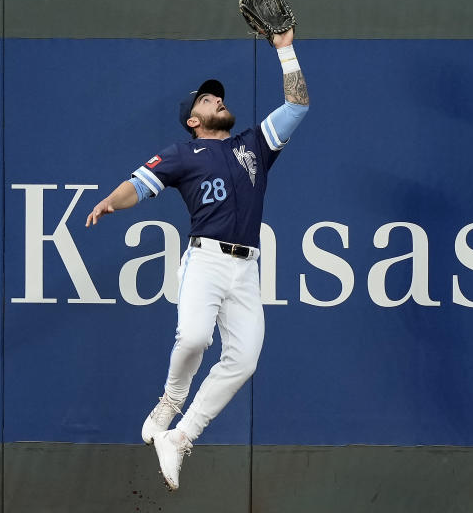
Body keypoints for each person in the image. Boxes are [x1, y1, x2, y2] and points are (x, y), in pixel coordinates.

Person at [85, 28, 308, 490]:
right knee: (193, 339)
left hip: (247, 268)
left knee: (245, 359)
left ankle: (181, 436)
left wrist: (285, 50)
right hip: (205, 259)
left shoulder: (254, 146)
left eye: (217, 98)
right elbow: (139, 183)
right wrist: (111, 201)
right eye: (208, 100)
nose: (217, 102)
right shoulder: (183, 154)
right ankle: (170, 401)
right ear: (193, 119)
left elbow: (297, 106)